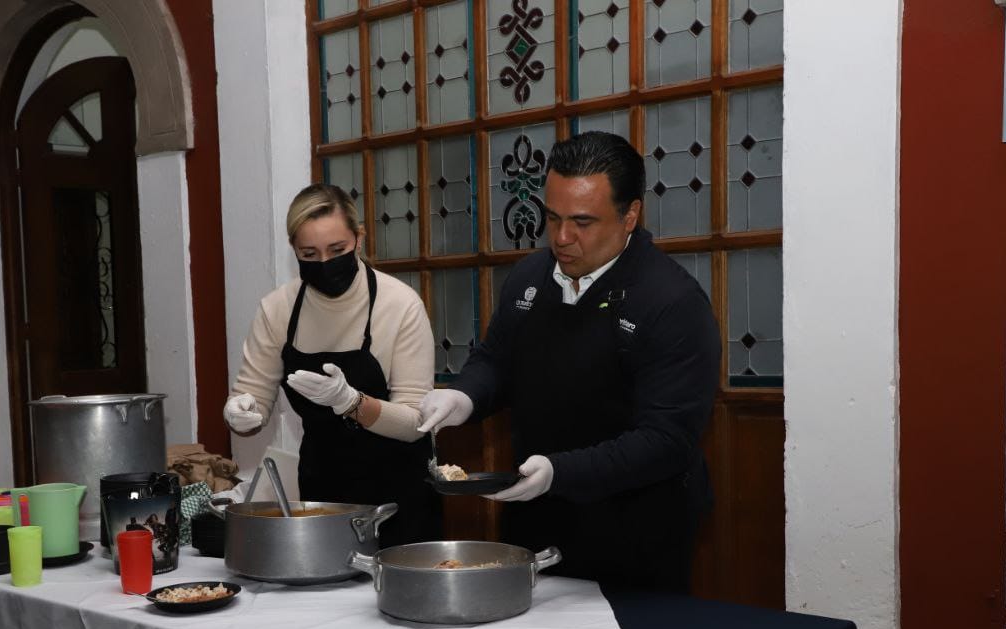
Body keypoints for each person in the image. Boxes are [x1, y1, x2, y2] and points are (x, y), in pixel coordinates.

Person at [418, 131, 720, 593]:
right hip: (534, 514)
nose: (561, 237)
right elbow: (497, 359)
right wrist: (464, 396)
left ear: (630, 216)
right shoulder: (529, 278)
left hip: (635, 529)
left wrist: (562, 471)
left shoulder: (672, 302)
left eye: (582, 222)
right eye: (553, 217)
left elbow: (667, 439)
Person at [225, 184, 441, 547]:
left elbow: (416, 423)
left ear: (358, 239)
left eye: (337, 250)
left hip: (400, 494)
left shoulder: (400, 305)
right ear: (293, 249)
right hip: (324, 492)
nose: (325, 263)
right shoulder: (277, 309)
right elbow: (253, 398)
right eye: (309, 253)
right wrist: (241, 413)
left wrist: (350, 402)